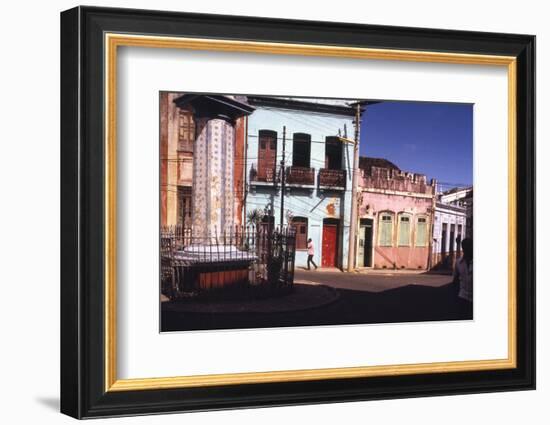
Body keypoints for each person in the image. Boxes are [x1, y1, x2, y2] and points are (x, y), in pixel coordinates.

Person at [453, 238, 473, 316]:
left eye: (469, 247)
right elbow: (455, 280)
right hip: (462, 297)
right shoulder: (458, 263)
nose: (467, 249)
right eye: (465, 247)